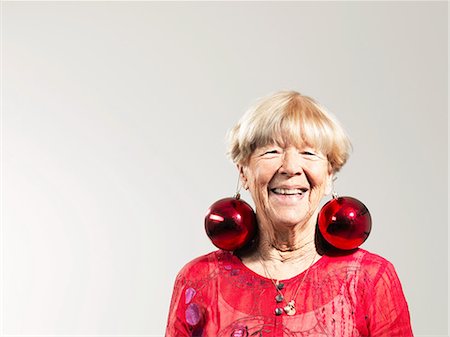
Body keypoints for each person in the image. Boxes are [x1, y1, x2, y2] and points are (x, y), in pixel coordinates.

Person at [165, 91, 413, 337]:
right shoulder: (200, 279)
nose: (291, 168)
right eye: (271, 151)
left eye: (308, 153)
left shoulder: (370, 278)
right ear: (244, 172)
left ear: (328, 176)